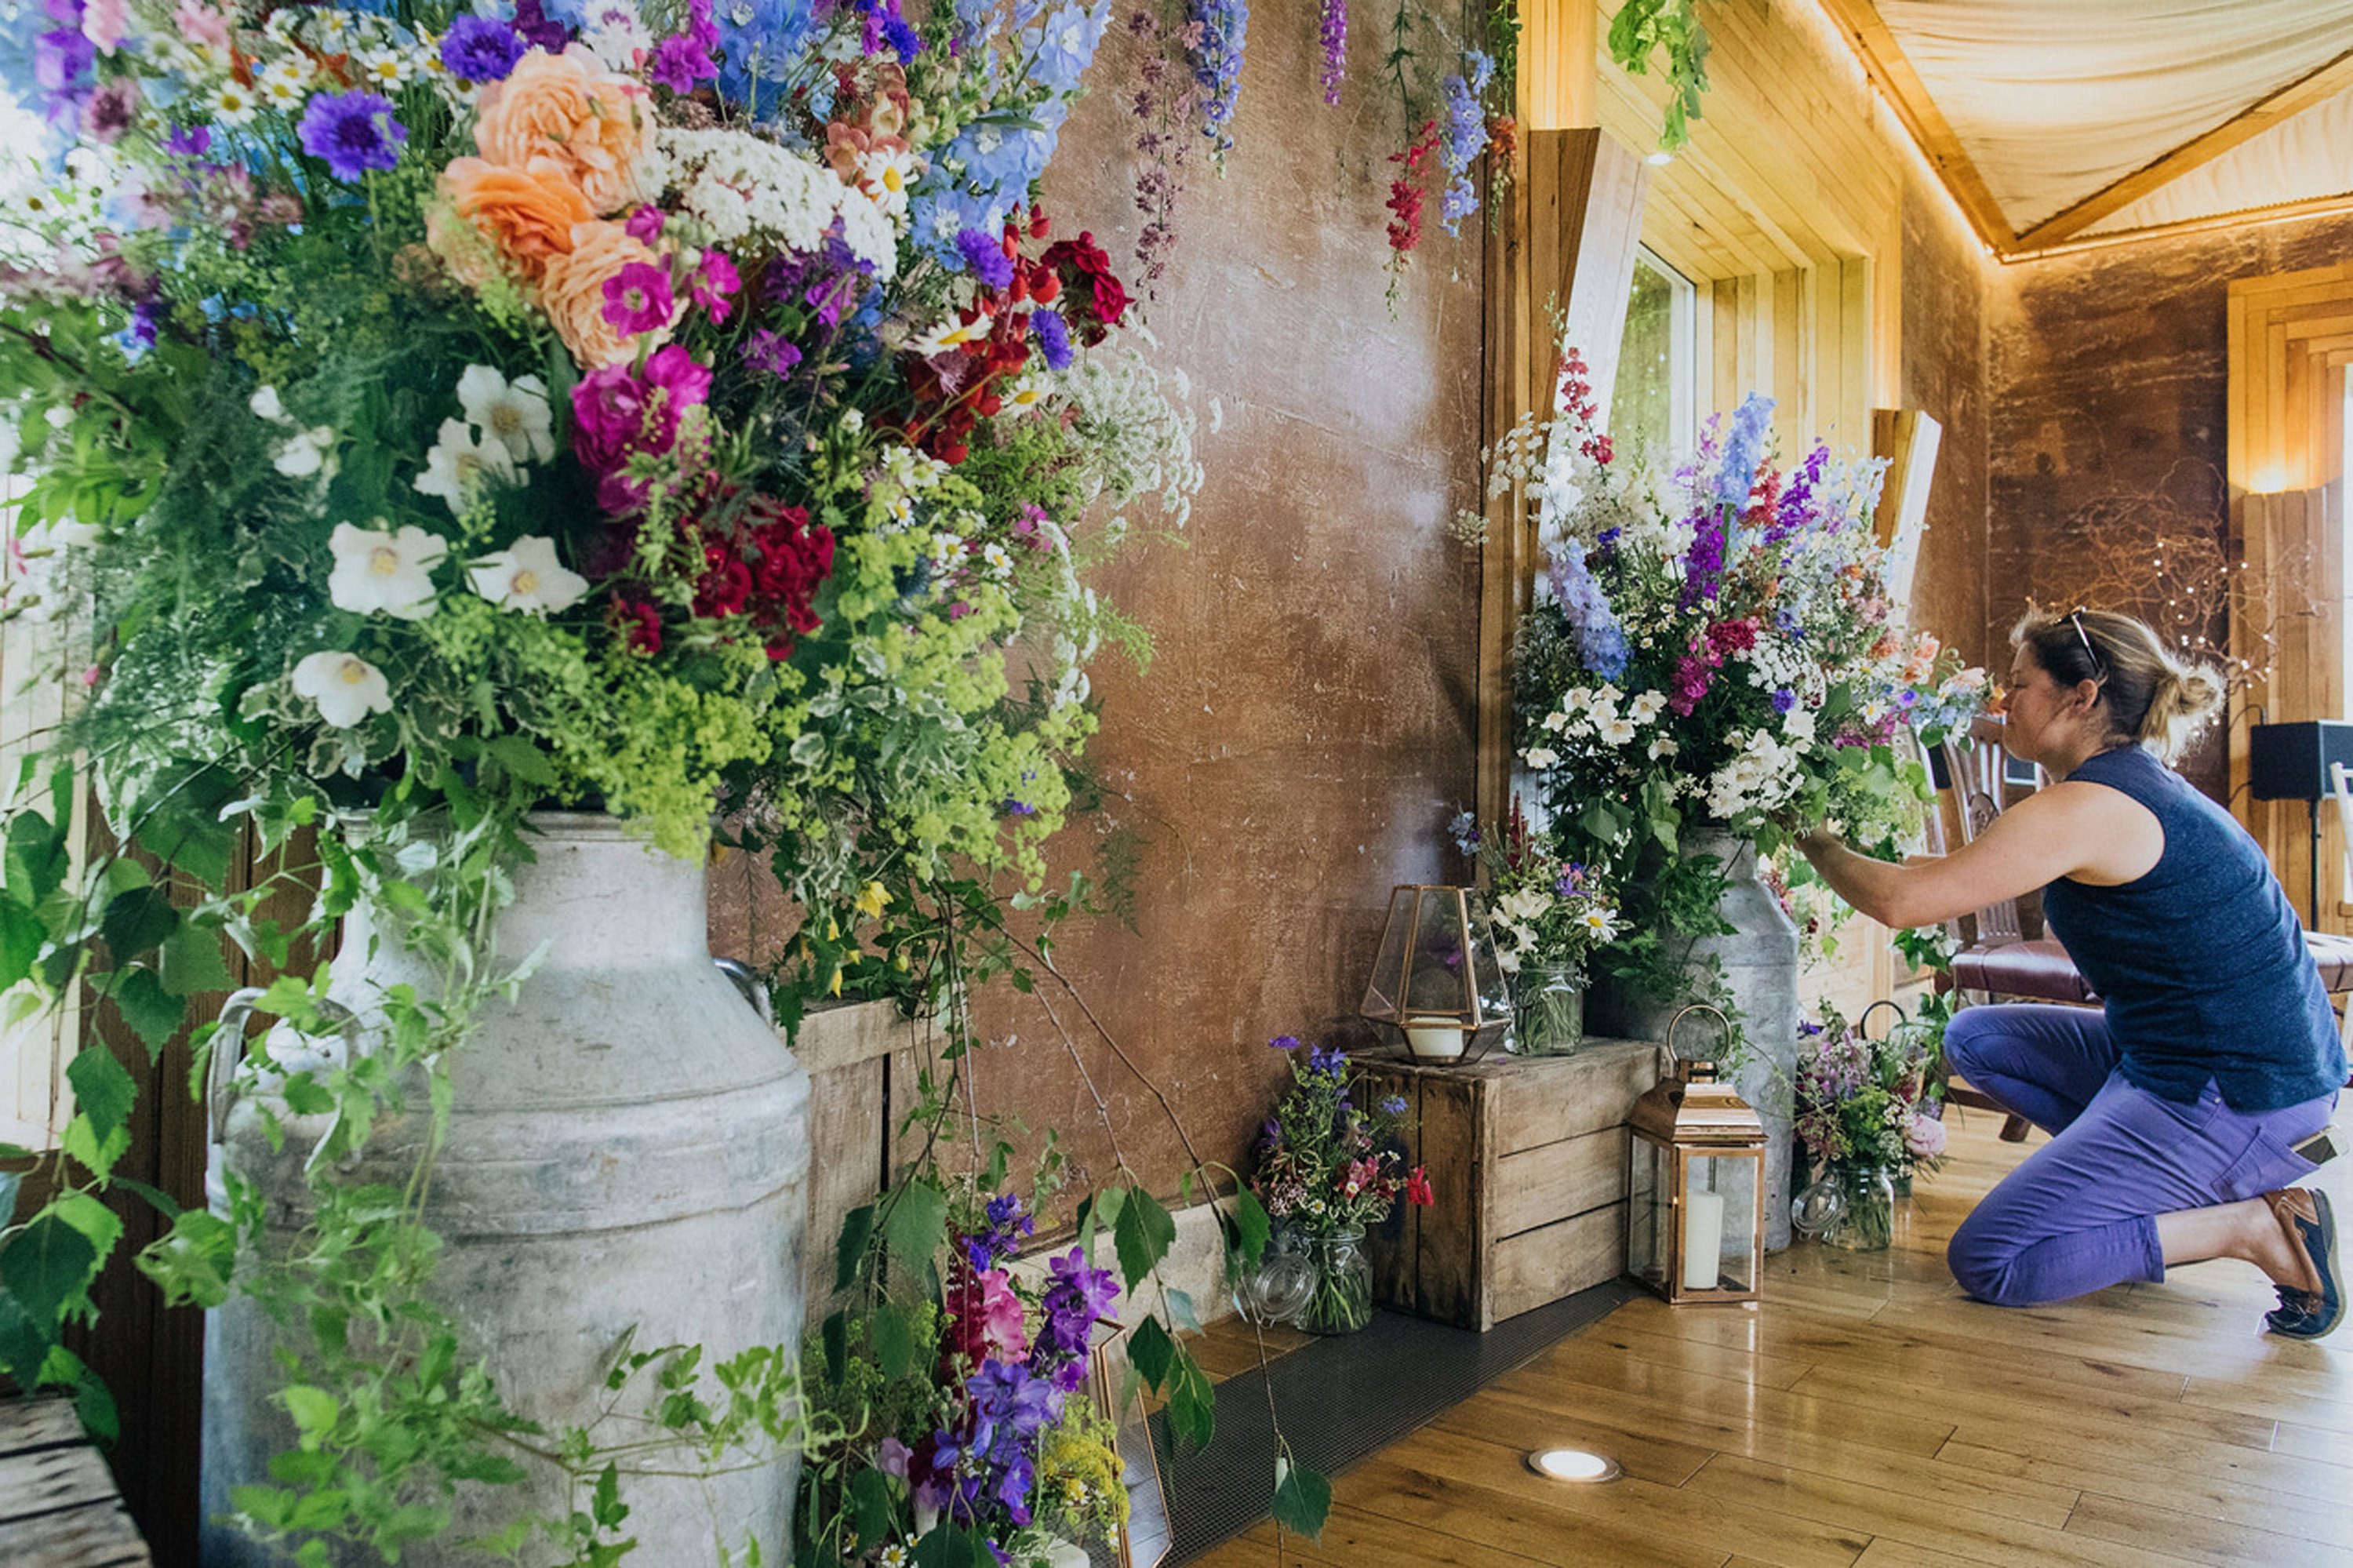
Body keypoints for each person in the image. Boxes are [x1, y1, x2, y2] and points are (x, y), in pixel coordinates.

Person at [1795, 606, 2344, 1338]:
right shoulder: (2117, 789)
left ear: (2081, 695)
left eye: (2018, 684)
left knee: (1992, 1258)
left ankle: (2250, 1227)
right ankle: (2137, 1186)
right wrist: (1850, 846)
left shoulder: (2090, 807)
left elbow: (1901, 903)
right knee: (1977, 1039)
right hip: (2174, 1063)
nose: (2002, 701)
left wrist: (1806, 831)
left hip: (2239, 1097)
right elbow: (1955, 875)